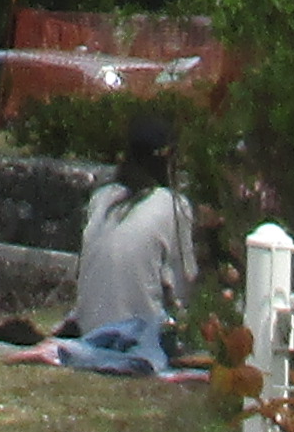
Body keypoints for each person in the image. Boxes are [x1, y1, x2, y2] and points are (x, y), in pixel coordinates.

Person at [55, 116, 198, 374]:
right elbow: (183, 284)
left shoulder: (101, 198)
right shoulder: (174, 205)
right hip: (139, 334)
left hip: (89, 329)